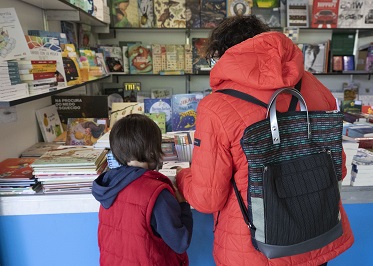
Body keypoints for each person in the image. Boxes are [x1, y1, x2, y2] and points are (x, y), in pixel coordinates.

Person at [175, 15, 354, 266]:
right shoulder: (314, 85)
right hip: (317, 234)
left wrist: (183, 178)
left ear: (223, 54)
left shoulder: (216, 107)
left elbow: (208, 199)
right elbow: (339, 167)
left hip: (255, 249)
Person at [92, 114, 193, 266]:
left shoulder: (109, 184)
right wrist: (183, 205)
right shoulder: (156, 193)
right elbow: (180, 242)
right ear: (152, 149)